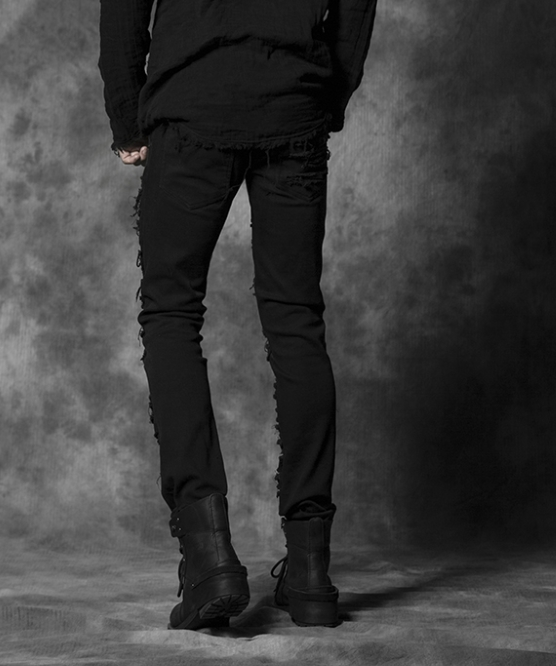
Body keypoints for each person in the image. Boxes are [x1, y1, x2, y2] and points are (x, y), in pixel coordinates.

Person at [98, 0, 377, 631]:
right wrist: (326, 96)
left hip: (192, 107)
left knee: (171, 315)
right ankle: (310, 572)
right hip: (293, 104)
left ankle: (209, 558)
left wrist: (127, 119)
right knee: (297, 320)